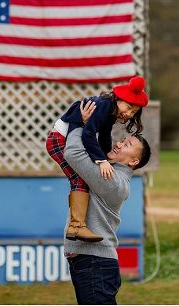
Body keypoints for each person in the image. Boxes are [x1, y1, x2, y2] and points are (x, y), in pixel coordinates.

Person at [46, 76, 148, 242]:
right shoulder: (103, 106)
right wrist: (101, 160)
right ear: (119, 99)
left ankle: (75, 227)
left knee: (79, 178)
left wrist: (106, 156)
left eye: (133, 112)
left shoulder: (111, 111)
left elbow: (105, 136)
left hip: (67, 139)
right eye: (128, 107)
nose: (129, 114)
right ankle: (77, 226)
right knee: (79, 178)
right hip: (59, 139)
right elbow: (88, 134)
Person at [63, 127, 151, 304]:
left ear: (133, 161)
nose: (119, 143)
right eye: (122, 140)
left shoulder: (112, 180)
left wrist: (78, 123)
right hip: (91, 263)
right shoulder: (108, 170)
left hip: (95, 264)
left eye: (126, 145)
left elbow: (72, 153)